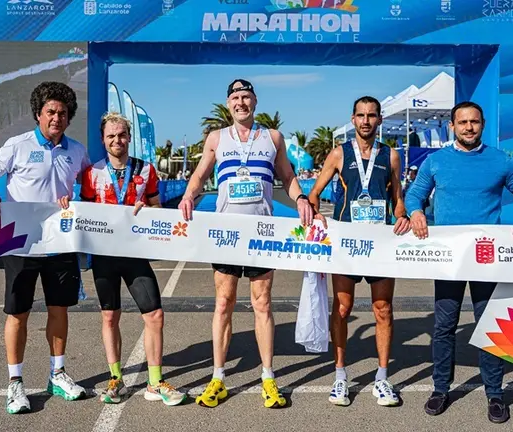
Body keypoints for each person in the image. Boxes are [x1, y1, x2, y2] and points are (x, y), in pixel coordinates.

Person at [404, 101, 513, 424]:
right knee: (444, 326)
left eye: (474, 122)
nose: (469, 127)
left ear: (482, 124)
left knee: (491, 325)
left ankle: (495, 394)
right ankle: (441, 389)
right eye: (462, 122)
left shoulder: (500, 160)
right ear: (452, 126)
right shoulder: (436, 161)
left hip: (487, 258)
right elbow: (414, 195)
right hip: (449, 259)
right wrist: (415, 211)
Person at [178, 79, 314, 408]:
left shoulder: (273, 137)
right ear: (229, 104)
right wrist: (188, 195)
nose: (241, 102)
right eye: (236, 97)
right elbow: (200, 174)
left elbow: (287, 176)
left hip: (261, 234)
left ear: (255, 102)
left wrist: (301, 199)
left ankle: (268, 377)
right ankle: (218, 378)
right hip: (226, 235)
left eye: (246, 97)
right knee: (223, 303)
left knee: (262, 304)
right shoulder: (216, 138)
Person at [0, 81, 91, 414]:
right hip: (21, 243)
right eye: (50, 111)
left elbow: (91, 188)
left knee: (59, 310)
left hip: (60, 244)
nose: (57, 118)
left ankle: (58, 374)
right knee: (18, 314)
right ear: (38, 114)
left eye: (63, 113)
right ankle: (15, 383)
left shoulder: (77, 151)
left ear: (69, 117)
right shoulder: (18, 145)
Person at [308, 96, 410, 407]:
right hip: (347, 246)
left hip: (380, 245)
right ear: (353, 119)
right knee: (342, 309)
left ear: (379, 120)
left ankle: (382, 378)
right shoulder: (339, 153)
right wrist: (316, 215)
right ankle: (340, 376)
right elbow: (314, 194)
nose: (366, 121)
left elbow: (397, 197)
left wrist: (403, 214)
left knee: (383, 309)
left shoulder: (391, 155)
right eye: (361, 115)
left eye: (372, 115)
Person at [78, 112, 186, 406]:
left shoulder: (146, 169)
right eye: (111, 136)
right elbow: (85, 214)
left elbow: (157, 207)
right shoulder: (92, 173)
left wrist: (148, 210)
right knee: (109, 316)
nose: (117, 140)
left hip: (135, 254)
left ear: (129, 137)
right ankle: (115, 379)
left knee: (155, 315)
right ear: (103, 140)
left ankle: (155, 382)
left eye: (122, 135)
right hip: (105, 255)